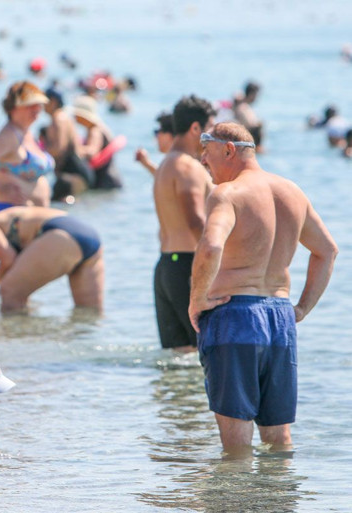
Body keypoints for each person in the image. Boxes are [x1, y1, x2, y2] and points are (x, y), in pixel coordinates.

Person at [189, 122, 338, 455]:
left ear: (228, 150)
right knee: (279, 441)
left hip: (235, 316)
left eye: (206, 149)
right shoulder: (292, 192)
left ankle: (239, 505)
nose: (202, 159)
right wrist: (301, 308)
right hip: (281, 319)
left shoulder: (228, 193)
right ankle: (279, 503)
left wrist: (197, 300)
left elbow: (211, 247)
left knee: (236, 449)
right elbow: (328, 251)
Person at [151, 95, 215, 352]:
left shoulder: (166, 163)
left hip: (167, 265)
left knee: (179, 361)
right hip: (188, 266)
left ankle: (177, 396)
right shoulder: (188, 167)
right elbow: (196, 221)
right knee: (205, 354)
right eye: (209, 128)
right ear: (195, 128)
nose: (212, 137)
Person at [0, 206, 103, 312]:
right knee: (89, 312)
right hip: (89, 236)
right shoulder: (6, 216)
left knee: (9, 292)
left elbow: (8, 259)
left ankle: (18, 345)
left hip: (61, 236)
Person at [0, 81, 54, 213]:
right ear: (13, 108)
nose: (37, 109)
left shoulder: (26, 132)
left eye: (39, 104)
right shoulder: (9, 136)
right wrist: (0, 191)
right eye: (30, 105)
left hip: (31, 216)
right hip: (12, 215)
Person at [64, 95, 122, 192]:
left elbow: (92, 152)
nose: (75, 117)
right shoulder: (96, 128)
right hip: (108, 177)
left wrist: (74, 149)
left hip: (105, 180)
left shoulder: (95, 130)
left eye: (77, 115)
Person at [42, 87, 87, 202]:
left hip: (73, 174)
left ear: (53, 102)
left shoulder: (59, 119)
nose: (42, 105)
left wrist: (37, 153)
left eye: (45, 101)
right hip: (76, 173)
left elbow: (59, 148)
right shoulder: (62, 117)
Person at [135, 111, 174, 176]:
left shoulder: (176, 161)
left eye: (157, 132)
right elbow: (165, 177)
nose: (156, 137)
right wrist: (147, 163)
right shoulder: (175, 160)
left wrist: (147, 163)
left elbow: (166, 179)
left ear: (168, 135)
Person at [232, 81, 263, 151]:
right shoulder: (242, 107)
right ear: (252, 94)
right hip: (248, 142)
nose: (256, 97)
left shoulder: (243, 105)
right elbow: (250, 125)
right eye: (256, 94)